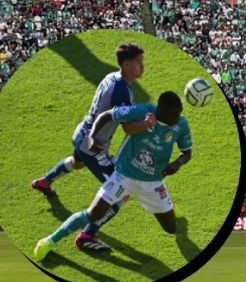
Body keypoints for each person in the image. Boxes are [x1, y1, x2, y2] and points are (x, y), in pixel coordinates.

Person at [33, 92, 192, 261]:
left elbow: (187, 152)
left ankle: (160, 204)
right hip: (123, 176)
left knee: (171, 229)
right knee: (93, 213)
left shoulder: (181, 123)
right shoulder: (142, 111)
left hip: (153, 184)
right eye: (174, 114)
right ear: (161, 110)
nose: (177, 117)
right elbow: (106, 115)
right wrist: (93, 137)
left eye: (179, 113)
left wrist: (178, 163)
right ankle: (49, 241)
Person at [32, 43, 147, 251]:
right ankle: (86, 235)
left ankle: (44, 181)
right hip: (94, 147)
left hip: (81, 134)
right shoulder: (122, 90)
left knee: (77, 163)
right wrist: (147, 124)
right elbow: (128, 128)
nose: (143, 66)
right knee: (121, 194)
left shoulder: (111, 77)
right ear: (128, 64)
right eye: (140, 63)